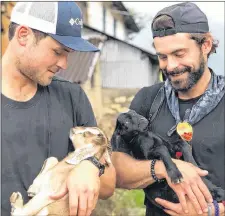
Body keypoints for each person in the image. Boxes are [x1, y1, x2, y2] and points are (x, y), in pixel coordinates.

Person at [1, 2, 116, 216]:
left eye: (68, 53)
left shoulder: (72, 97)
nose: (64, 64)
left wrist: (88, 164)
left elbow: (108, 186)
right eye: (57, 51)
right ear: (23, 36)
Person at [111, 2, 224, 216]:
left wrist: (214, 212)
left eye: (179, 54)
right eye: (162, 57)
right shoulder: (148, 99)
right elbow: (115, 170)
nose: (170, 66)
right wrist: (165, 167)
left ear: (206, 45)